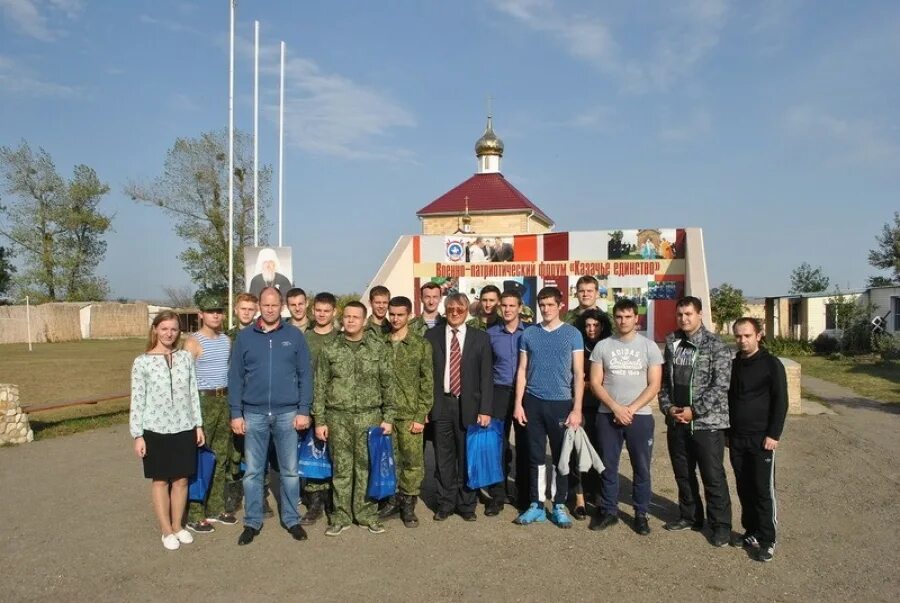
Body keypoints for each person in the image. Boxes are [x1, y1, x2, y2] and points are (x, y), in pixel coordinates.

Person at [228, 287, 313, 545]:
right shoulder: (245, 337)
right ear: (259, 307)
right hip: (253, 414)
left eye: (274, 305)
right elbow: (236, 378)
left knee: (289, 471)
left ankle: (291, 519)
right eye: (265, 305)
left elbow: (305, 375)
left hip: (287, 414)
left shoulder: (294, 336)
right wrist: (236, 413)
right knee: (253, 472)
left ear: (281, 306)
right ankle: (252, 522)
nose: (270, 309)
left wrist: (303, 410)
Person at [313, 301, 396, 535]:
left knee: (366, 468)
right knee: (341, 469)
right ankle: (340, 516)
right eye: (347, 316)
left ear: (364, 319)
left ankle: (367, 514)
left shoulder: (377, 348)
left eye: (355, 317)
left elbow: (388, 385)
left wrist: (388, 417)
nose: (350, 321)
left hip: (370, 417)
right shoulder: (330, 348)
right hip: (338, 417)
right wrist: (320, 420)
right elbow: (320, 387)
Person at [658, 296, 733, 547]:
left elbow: (720, 385)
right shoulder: (672, 342)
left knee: (713, 476)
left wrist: (695, 411)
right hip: (677, 421)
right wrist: (668, 408)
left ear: (700, 315)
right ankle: (690, 516)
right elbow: (665, 382)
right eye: (680, 314)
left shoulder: (715, 346)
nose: (684, 319)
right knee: (683, 474)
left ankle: (720, 525)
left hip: (706, 423)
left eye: (689, 314)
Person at [129, 310, 205, 551]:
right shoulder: (142, 362)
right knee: (161, 480)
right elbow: (138, 399)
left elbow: (193, 392)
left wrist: (198, 424)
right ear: (155, 330)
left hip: (183, 426)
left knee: (181, 479)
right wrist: (138, 435)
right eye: (164, 329)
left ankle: (178, 525)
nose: (169, 333)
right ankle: (166, 530)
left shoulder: (184, 358)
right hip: (155, 429)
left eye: (173, 329)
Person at [589, 299, 663, 535]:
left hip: (639, 416)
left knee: (641, 467)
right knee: (608, 466)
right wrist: (615, 407)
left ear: (636, 319)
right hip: (608, 415)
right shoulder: (603, 346)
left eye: (628, 316)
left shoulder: (649, 347)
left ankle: (640, 513)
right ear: (614, 318)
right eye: (619, 317)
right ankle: (609, 511)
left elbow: (654, 385)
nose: (623, 321)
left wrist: (630, 408)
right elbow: (595, 383)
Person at [513, 287, 584, 528]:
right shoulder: (529, 334)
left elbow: (578, 373)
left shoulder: (572, 334)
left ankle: (560, 504)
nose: (546, 309)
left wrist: (576, 409)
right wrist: (518, 404)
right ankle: (536, 504)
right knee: (535, 456)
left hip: (561, 403)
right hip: (533, 402)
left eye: (550, 305)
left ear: (560, 305)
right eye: (542, 305)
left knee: (560, 458)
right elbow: (522, 370)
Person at [424, 293, 493, 521]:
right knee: (443, 458)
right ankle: (445, 503)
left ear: (466, 311)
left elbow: (485, 377)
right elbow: (424, 375)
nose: (454, 313)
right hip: (441, 403)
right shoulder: (431, 336)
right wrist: (424, 407)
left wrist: (485, 409)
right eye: (451, 309)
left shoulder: (480, 338)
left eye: (459, 309)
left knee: (466, 457)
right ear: (445, 310)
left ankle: (466, 504)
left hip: (469, 405)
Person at [728, 317, 788, 562]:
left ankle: (768, 538)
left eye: (747, 336)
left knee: (763, 490)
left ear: (758, 336)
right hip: (737, 438)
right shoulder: (734, 365)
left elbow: (781, 401)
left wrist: (774, 434)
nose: (742, 341)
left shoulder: (771, 364)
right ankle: (751, 531)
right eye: (738, 336)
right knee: (744, 487)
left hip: (762, 439)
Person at [377, 296, 433, 528]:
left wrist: (421, 415)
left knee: (412, 462)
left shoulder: (421, 345)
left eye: (400, 314)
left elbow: (427, 383)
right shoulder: (382, 343)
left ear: (409, 315)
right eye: (392, 314)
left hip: (410, 415)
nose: (395, 319)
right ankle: (393, 499)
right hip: (387, 415)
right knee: (390, 461)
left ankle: (408, 503)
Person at [183, 295, 235, 533]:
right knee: (199, 459)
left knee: (221, 457)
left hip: (224, 400)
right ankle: (195, 512)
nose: (215, 315)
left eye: (219, 311)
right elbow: (185, 382)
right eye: (210, 311)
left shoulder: (226, 340)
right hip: (203, 401)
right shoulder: (192, 342)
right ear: (201, 314)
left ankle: (215, 507)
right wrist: (194, 419)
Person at [485, 290, 529, 514]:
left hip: (525, 393)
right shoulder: (491, 334)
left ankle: (523, 493)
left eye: (513, 305)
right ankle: (498, 495)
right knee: (499, 445)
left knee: (524, 444)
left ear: (520, 307)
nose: (508, 309)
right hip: (499, 391)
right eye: (505, 306)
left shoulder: (531, 333)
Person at [299, 292, 340, 526]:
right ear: (313, 311)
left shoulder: (341, 338)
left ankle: (333, 500)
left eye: (327, 311)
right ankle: (314, 502)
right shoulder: (304, 338)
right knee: (313, 455)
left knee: (335, 455)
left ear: (334, 312)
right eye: (318, 310)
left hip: (335, 406)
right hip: (310, 404)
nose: (322, 314)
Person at [569, 307, 613, 519]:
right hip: (580, 404)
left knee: (600, 452)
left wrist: (593, 384)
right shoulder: (577, 345)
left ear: (602, 326)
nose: (591, 329)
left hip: (603, 406)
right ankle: (578, 497)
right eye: (587, 325)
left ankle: (597, 494)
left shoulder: (609, 346)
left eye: (595, 325)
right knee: (577, 452)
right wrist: (584, 384)